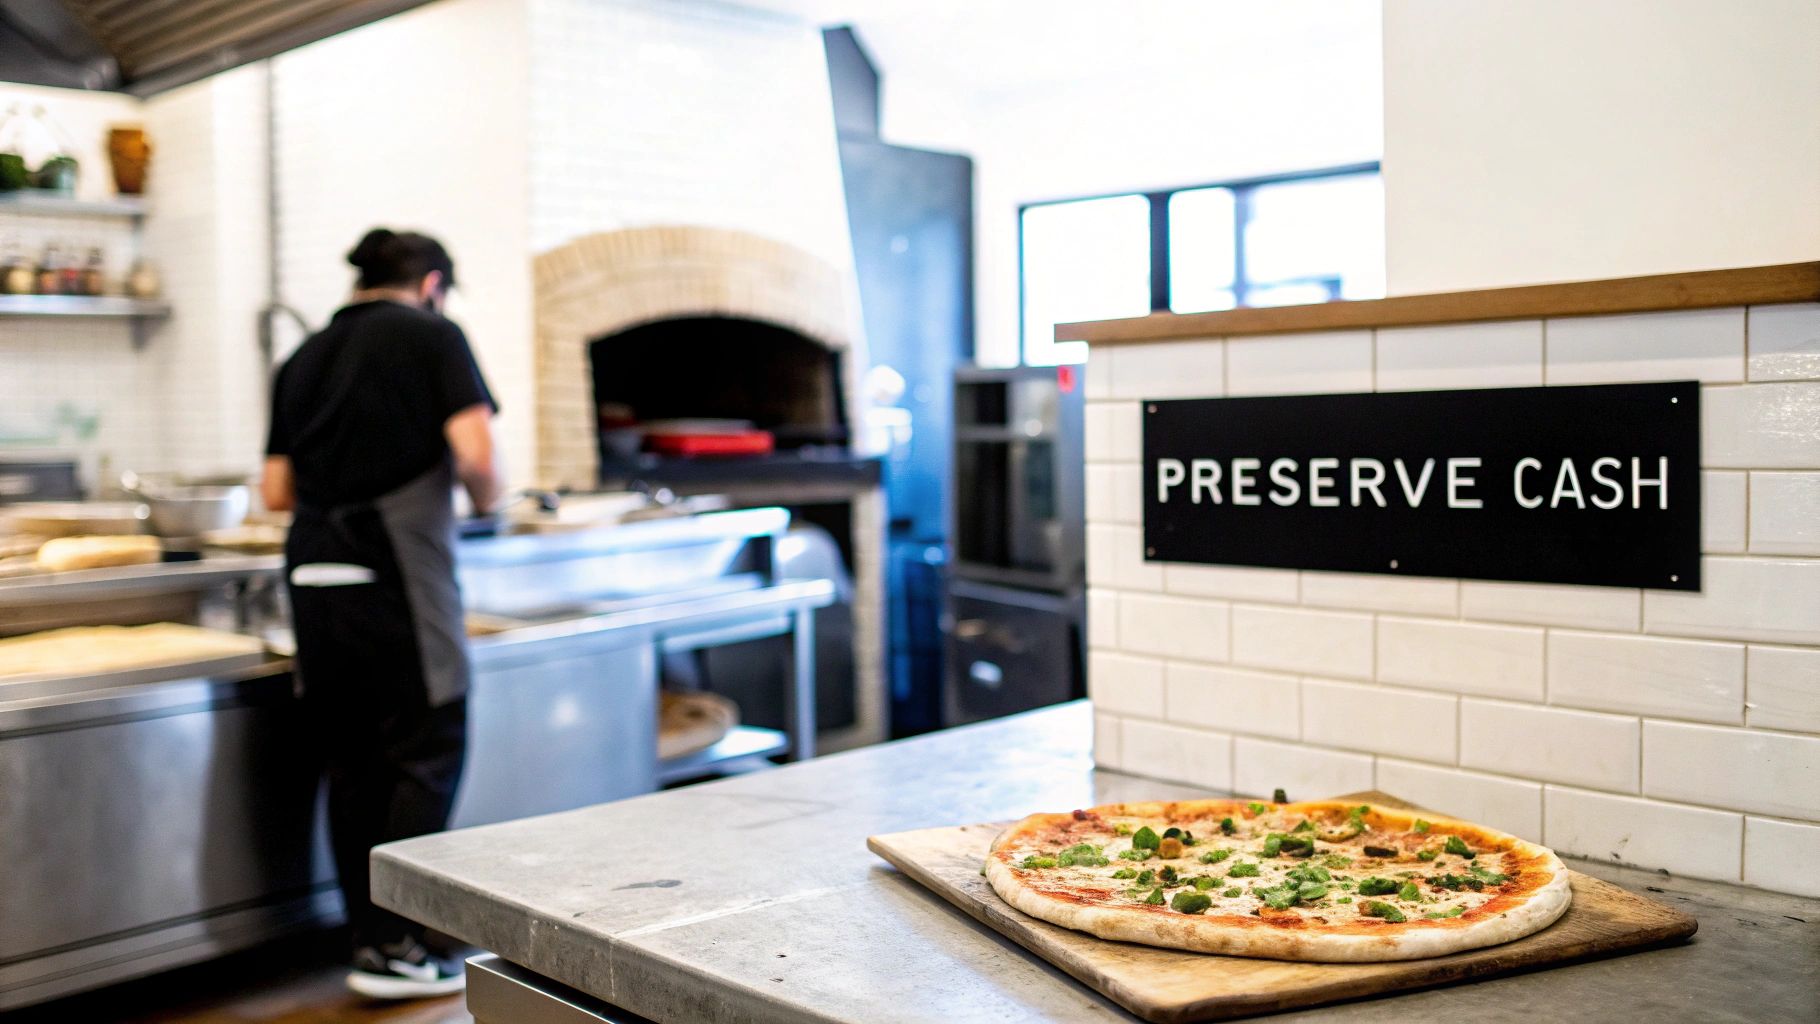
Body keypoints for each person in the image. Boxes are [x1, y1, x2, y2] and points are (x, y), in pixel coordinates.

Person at [261, 228, 502, 999]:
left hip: (313, 570)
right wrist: (490, 502)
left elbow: (275, 492)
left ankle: (371, 943)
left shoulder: (300, 358)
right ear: (431, 283)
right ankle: (401, 943)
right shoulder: (435, 336)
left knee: (351, 758)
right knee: (426, 742)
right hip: (398, 569)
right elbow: (477, 458)